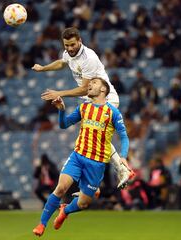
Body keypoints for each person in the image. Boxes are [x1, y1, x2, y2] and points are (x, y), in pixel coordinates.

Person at [32, 27, 133, 189]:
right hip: (91, 102)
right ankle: (104, 178)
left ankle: (119, 170)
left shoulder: (89, 58)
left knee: (97, 138)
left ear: (80, 41)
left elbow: (85, 88)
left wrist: (60, 93)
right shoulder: (69, 53)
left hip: (106, 98)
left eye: (73, 44)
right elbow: (61, 63)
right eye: (66, 45)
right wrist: (43, 68)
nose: (70, 48)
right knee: (95, 138)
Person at [33, 78, 129, 236]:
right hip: (78, 156)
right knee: (61, 188)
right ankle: (41, 224)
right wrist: (61, 110)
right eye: (89, 83)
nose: (90, 85)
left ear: (103, 90)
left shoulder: (113, 112)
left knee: (83, 203)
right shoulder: (84, 107)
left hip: (97, 164)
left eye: (94, 83)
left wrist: (123, 157)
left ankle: (65, 210)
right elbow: (64, 124)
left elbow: (124, 137)